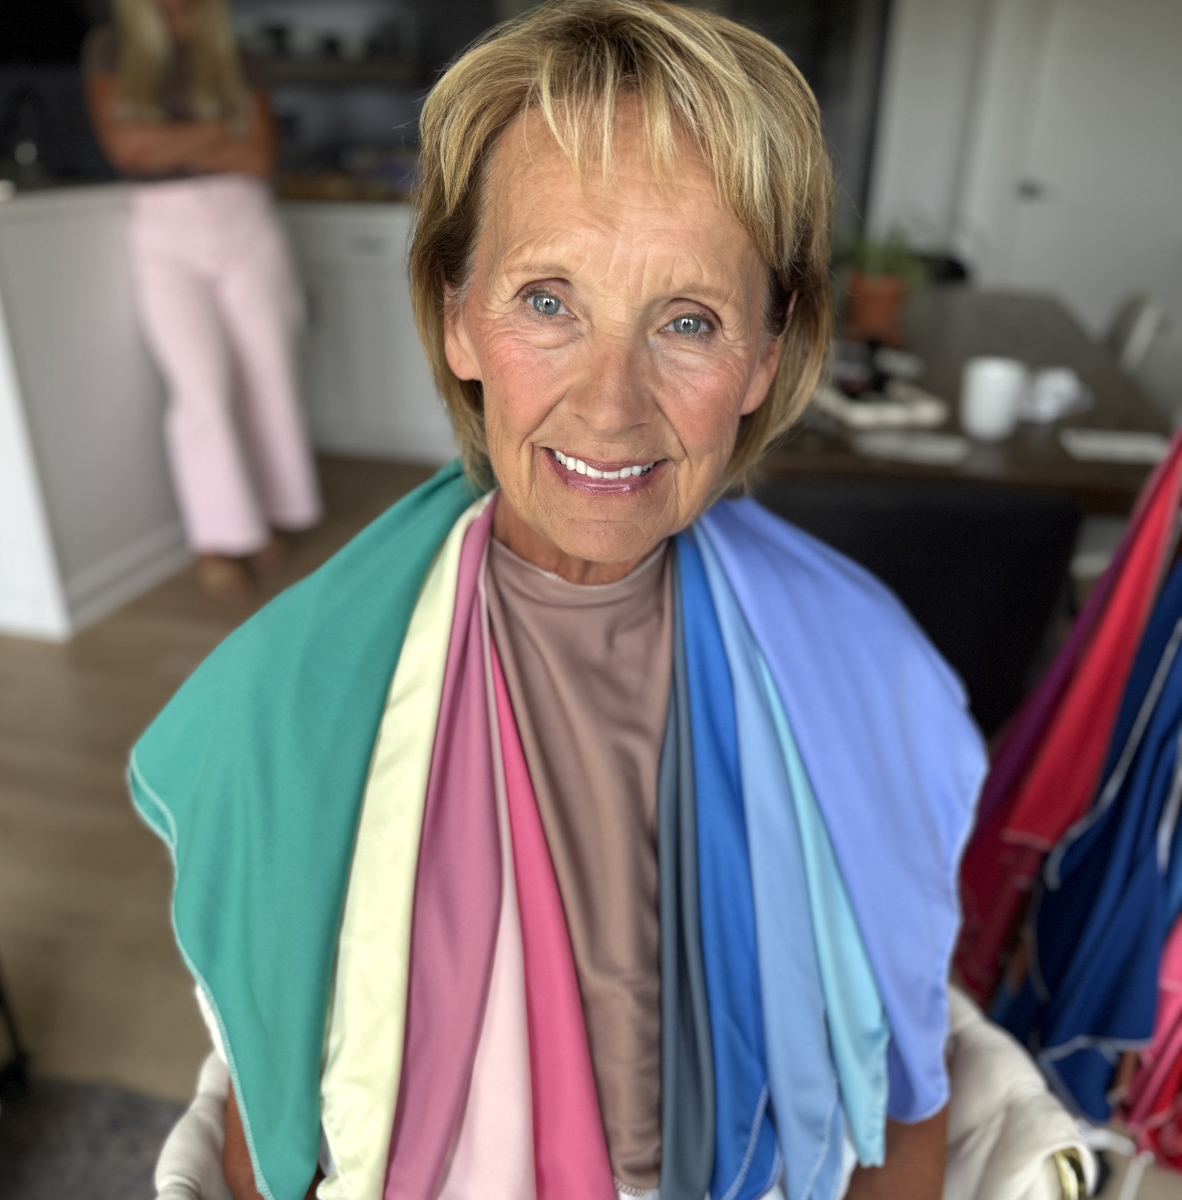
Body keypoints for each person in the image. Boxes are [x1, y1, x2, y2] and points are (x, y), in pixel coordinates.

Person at [128, 3, 987, 1198]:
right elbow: (272, 1130)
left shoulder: (871, 677)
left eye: (686, 321)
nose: (608, 406)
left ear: (764, 354)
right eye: (547, 301)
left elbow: (900, 1089)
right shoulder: (282, 707)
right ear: (456, 315)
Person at [83, 0, 322, 602]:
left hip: (248, 226)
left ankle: (272, 514)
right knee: (201, 390)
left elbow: (257, 155)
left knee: (270, 378)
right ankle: (219, 538)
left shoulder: (239, 54)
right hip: (162, 235)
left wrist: (168, 142)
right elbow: (128, 151)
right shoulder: (111, 47)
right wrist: (222, 131)